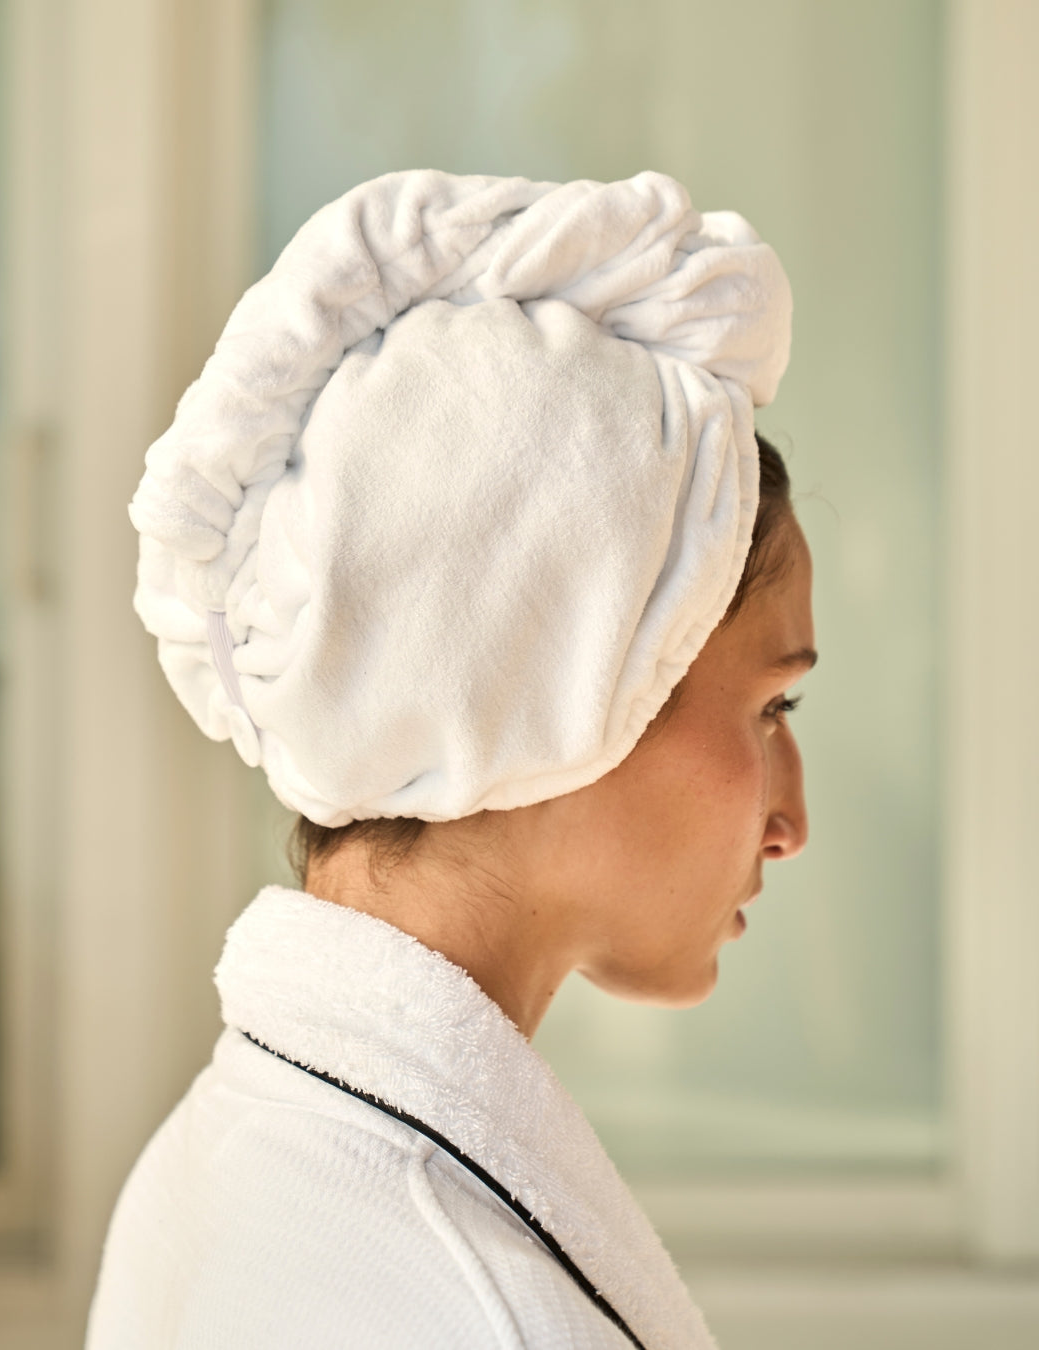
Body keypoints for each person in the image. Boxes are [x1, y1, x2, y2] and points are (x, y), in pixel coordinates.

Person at [86, 169, 814, 1349]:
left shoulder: (217, 1158)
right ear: (574, 696)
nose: (793, 822)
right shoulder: (482, 1313)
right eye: (775, 708)